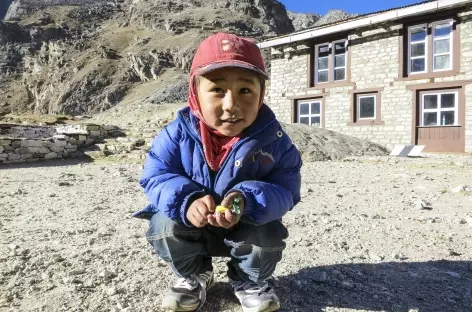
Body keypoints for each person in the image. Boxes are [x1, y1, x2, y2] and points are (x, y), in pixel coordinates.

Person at [134, 32, 302, 312]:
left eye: (245, 91)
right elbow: (156, 175)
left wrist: (247, 201)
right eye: (217, 90)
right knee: (163, 226)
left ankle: (248, 280)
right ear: (195, 93)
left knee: (267, 235)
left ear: (261, 95)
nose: (230, 105)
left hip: (248, 223)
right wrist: (187, 202)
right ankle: (195, 274)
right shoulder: (176, 134)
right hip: (191, 223)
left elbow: (286, 189)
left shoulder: (275, 140)